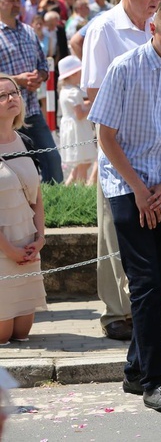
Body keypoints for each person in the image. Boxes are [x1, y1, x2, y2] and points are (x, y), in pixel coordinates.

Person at [88, 0, 161, 412]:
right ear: (154, 27)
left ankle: (137, 371)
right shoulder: (124, 67)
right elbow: (106, 137)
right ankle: (156, 379)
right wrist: (139, 188)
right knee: (145, 283)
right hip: (125, 183)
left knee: (160, 281)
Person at [81, 0, 161, 341]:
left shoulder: (156, 28)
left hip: (157, 147)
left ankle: (145, 307)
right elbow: (96, 98)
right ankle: (116, 312)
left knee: (149, 233)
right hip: (118, 147)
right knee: (115, 233)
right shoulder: (103, 28)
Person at [0, 75, 47, 346]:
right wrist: (8, 249)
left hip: (27, 248)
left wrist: (40, 238)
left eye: (14, 93)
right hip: (4, 250)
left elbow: (36, 197)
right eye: (3, 96)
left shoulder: (26, 142)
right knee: (3, 336)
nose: (11, 99)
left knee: (22, 334)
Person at [0, 0, 61, 184]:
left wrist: (39, 77)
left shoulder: (28, 31)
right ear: (1, 3)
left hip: (31, 110)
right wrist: (18, 80)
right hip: (5, 115)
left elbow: (43, 64)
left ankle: (55, 210)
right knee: (14, 169)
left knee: (52, 160)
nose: (17, 4)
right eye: (12, 0)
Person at [57, 55, 95, 185]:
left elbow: (78, 107)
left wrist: (87, 103)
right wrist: (93, 106)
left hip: (71, 128)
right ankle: (81, 192)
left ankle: (66, 190)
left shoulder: (65, 90)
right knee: (84, 163)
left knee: (79, 164)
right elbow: (80, 114)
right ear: (73, 75)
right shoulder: (73, 92)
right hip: (78, 130)